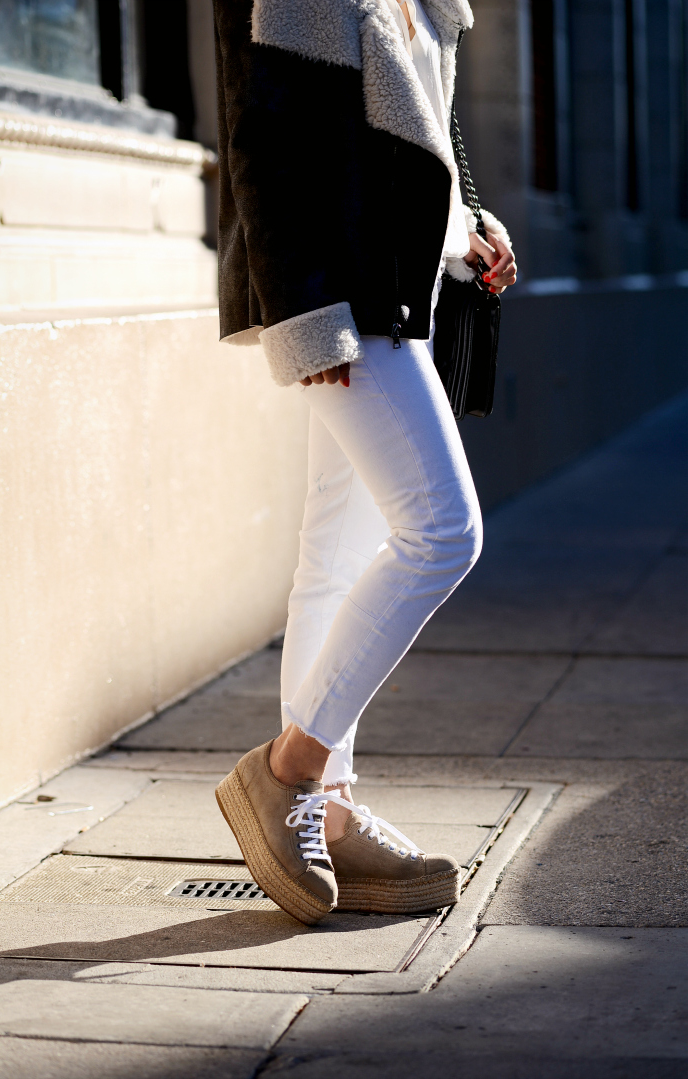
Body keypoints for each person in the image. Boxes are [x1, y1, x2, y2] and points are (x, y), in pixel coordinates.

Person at [213, 0, 517, 925]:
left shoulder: (428, 2)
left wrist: (465, 234)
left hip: (401, 299)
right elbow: (269, 141)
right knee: (443, 532)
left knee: (334, 556)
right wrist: (306, 314)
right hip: (345, 310)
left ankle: (328, 808)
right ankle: (288, 770)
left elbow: (394, 153)